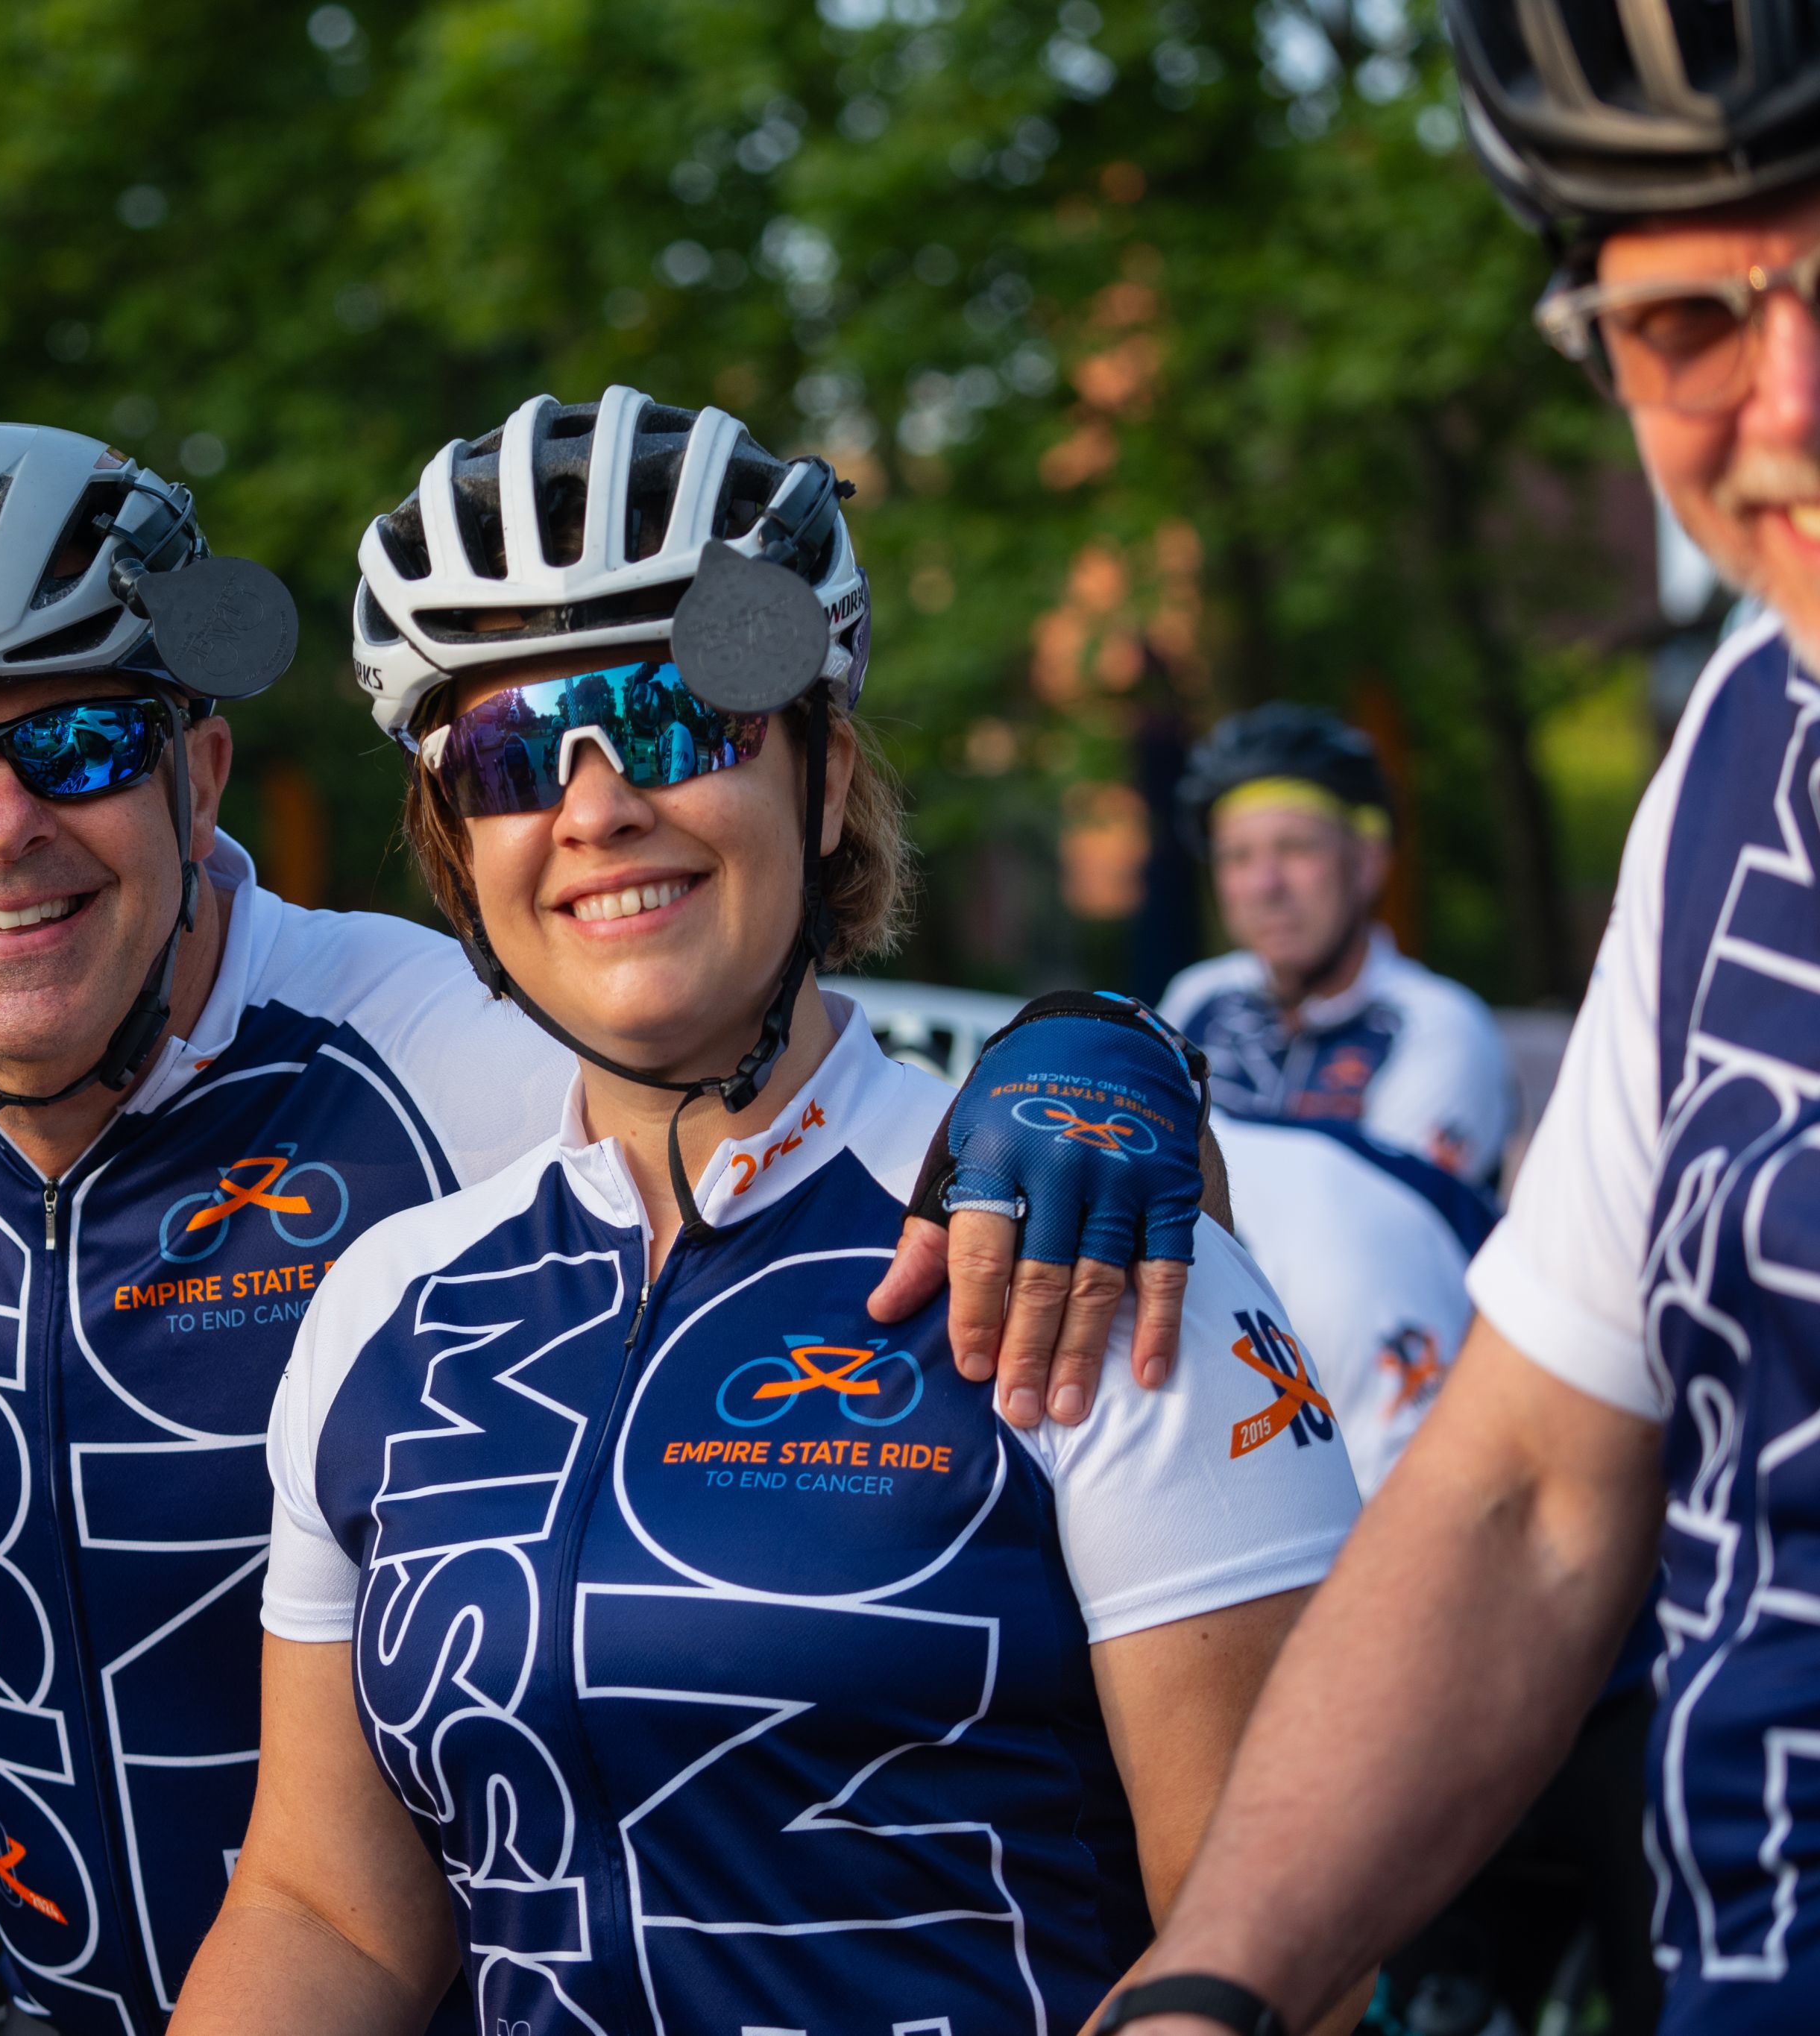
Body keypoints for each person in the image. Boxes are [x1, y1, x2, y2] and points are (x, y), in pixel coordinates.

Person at [0, 414, 1207, 2036]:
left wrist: (1104, 1046)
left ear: (197, 768)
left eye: (80, 742)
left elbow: (768, 1082)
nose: (1, 825)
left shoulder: (421, 1049)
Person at [169, 397, 1364, 2036]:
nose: (595, 806)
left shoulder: (1076, 1245)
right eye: (511, 752)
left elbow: (1285, 1951)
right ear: (457, 843)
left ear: (823, 777)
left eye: (673, 719)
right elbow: (327, 1917)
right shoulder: (389, 1307)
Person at [1104, 6, 1820, 2035]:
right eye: (1683, 323)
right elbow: (1527, 1482)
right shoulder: (1743, 754)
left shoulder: (1421, 1025)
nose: (1791, 403)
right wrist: (1213, 1983)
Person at [1160, 705, 1516, 1186]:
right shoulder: (1198, 996)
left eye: (1296, 848)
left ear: (1367, 862)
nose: (1265, 885)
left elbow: (1384, 1216)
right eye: (1238, 856)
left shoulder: (1438, 1026)